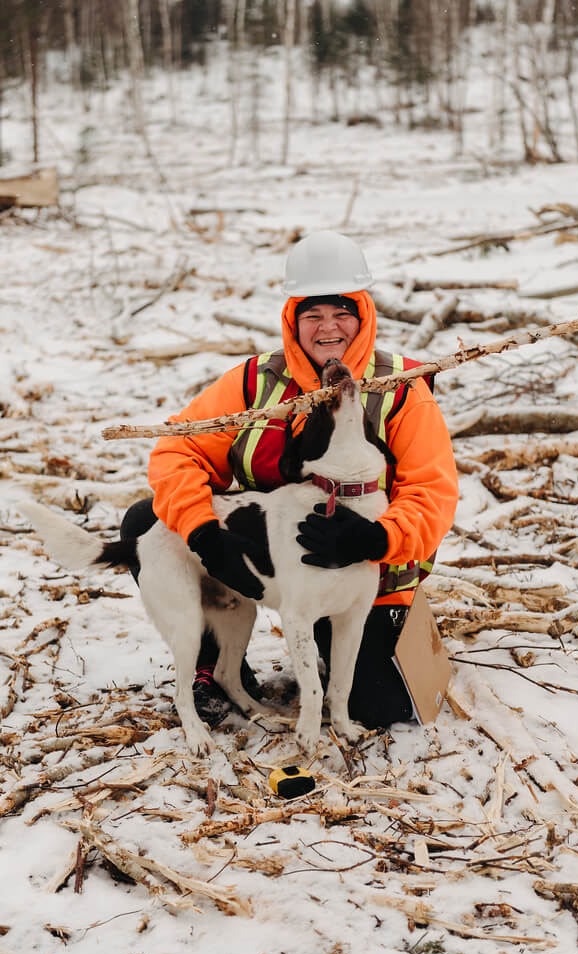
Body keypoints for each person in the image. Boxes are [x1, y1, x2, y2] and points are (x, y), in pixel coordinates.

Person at [121, 231, 458, 728]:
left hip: (372, 577)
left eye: (342, 312)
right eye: (312, 315)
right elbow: (179, 447)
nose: (328, 328)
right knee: (146, 518)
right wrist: (204, 534)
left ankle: (390, 632)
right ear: (292, 319)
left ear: (363, 314)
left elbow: (433, 492)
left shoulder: (401, 388)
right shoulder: (256, 382)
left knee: (383, 711)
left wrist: (376, 536)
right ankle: (212, 667)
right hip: (277, 565)